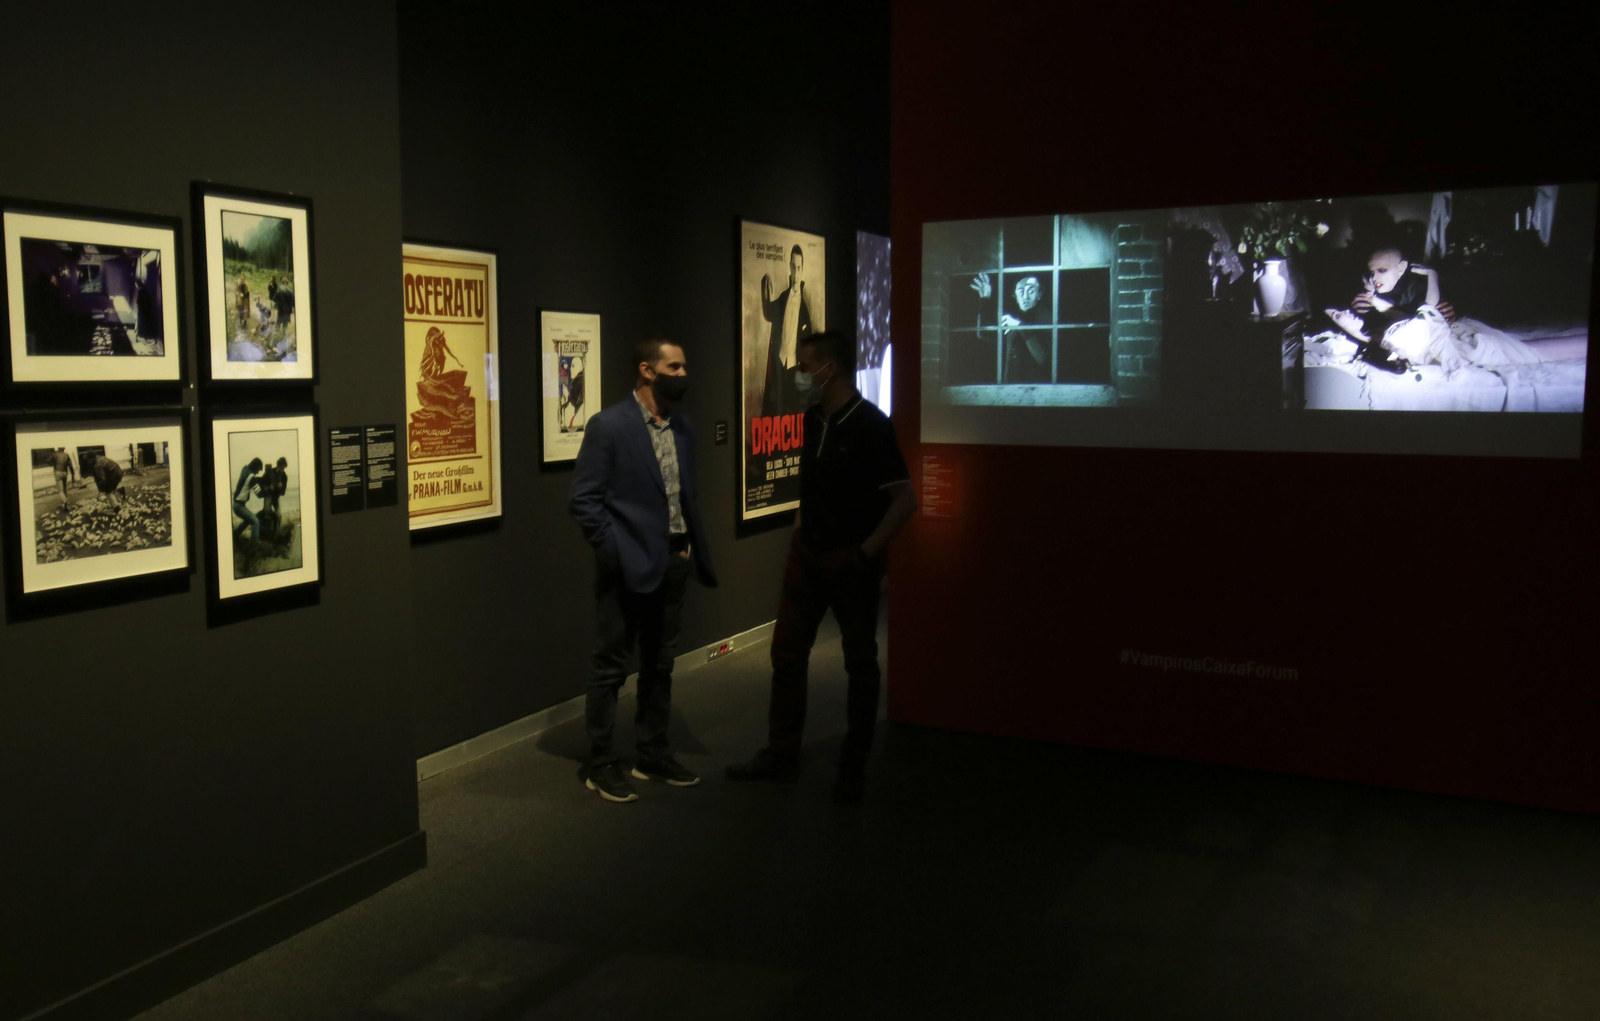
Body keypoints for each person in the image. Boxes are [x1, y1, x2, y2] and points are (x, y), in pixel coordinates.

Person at [727, 330, 917, 803]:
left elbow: (905, 500)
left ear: (830, 368)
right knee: (786, 654)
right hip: (807, 555)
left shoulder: (872, 425)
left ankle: (853, 767)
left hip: (850, 559)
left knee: (859, 662)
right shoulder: (813, 419)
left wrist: (865, 553)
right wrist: (798, 528)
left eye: (807, 365)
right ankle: (782, 752)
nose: (801, 375)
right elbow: (809, 486)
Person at [569, 336, 718, 803]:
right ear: (646, 371)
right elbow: (584, 500)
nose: (683, 375)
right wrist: (616, 551)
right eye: (674, 367)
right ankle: (600, 762)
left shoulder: (683, 429)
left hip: (674, 564)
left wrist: (687, 544)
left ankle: (652, 753)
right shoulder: (609, 426)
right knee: (612, 667)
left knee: (660, 665)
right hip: (627, 565)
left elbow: (681, 495)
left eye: (684, 367)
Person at [760, 244, 815, 416]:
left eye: (799, 267)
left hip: (794, 367)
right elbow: (769, 313)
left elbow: (809, 343)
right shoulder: (784, 297)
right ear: (790, 267)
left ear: (802, 269)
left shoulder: (805, 309)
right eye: (793, 266)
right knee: (775, 408)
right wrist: (765, 291)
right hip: (779, 362)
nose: (796, 272)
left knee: (791, 411)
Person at [232, 457, 264, 542]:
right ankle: (254, 545)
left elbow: (251, 479)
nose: (257, 473)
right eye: (258, 470)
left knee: (248, 520)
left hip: (236, 503)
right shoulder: (251, 478)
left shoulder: (244, 469)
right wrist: (269, 489)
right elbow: (259, 494)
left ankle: (234, 535)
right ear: (255, 467)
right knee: (255, 522)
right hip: (239, 506)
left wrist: (259, 480)